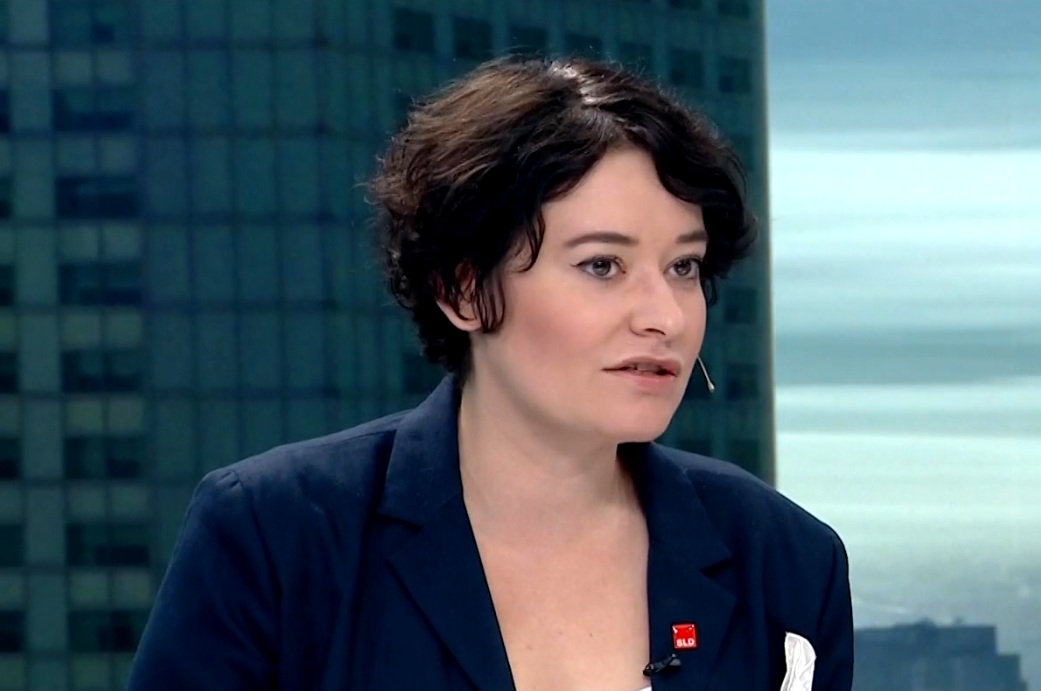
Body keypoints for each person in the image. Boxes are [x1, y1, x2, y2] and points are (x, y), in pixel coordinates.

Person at [127, 54, 853, 691]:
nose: (664, 315)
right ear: (465, 290)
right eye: (602, 265)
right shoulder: (275, 536)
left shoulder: (783, 560)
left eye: (683, 266)